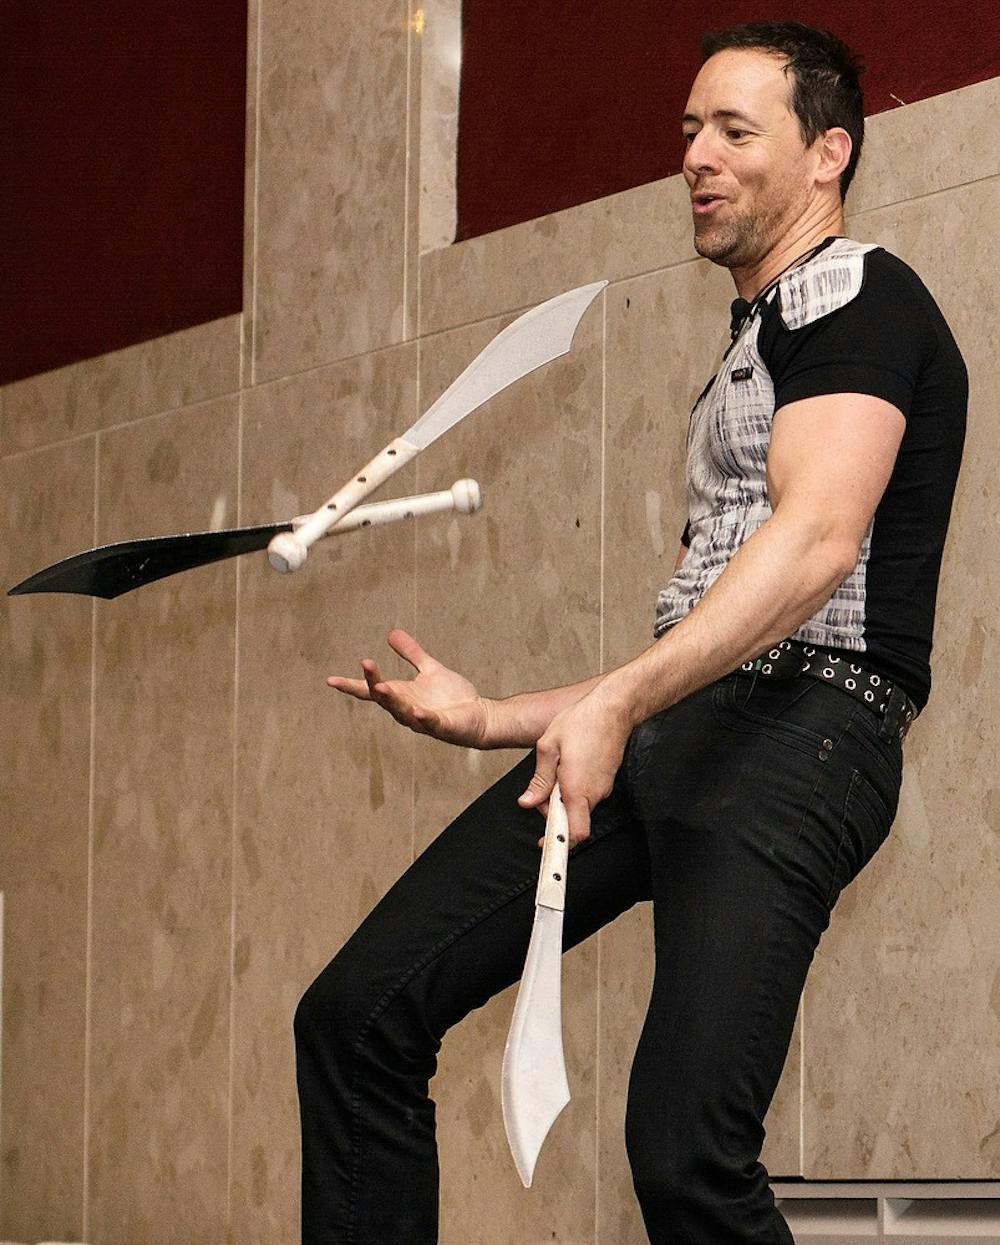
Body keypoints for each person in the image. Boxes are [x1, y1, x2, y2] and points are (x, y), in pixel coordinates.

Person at [294, 21, 967, 1244]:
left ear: (829, 154)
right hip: (696, 726)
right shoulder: (746, 351)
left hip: (802, 736)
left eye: (733, 131)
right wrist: (504, 716)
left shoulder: (860, 295)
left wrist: (612, 705)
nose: (695, 157)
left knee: (683, 1152)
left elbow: (816, 547)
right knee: (356, 1016)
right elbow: (708, 635)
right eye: (687, 132)